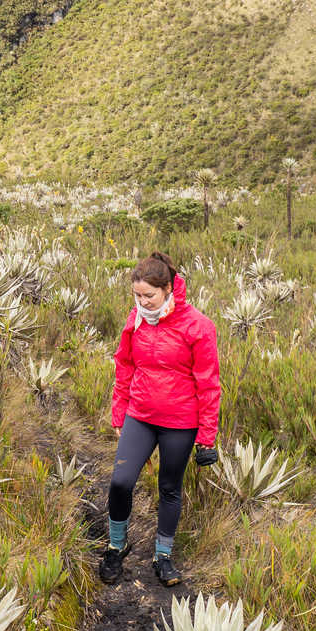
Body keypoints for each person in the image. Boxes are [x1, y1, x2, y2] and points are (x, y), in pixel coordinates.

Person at [99, 251, 220, 586]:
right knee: (121, 481)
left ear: (168, 288)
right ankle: (116, 545)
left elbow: (209, 383)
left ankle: (163, 556)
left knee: (169, 488)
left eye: (149, 296)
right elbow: (124, 366)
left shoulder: (197, 325)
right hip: (140, 414)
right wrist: (119, 412)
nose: (143, 302)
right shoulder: (135, 319)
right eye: (137, 296)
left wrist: (207, 437)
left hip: (180, 421)